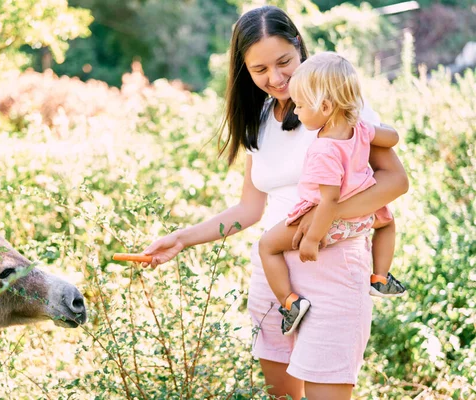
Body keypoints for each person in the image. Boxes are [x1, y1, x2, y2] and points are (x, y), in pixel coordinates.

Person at [141, 6, 408, 400]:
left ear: (299, 46)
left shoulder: (337, 107)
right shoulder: (261, 117)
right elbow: (249, 210)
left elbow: (395, 181)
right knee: (281, 397)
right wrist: (182, 238)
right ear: (244, 70)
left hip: (331, 267)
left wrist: (323, 217)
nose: (276, 78)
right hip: (274, 275)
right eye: (260, 70)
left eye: (284, 62)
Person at [258, 52, 407, 338]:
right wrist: (374, 128)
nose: (297, 112)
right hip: (365, 217)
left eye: (300, 105)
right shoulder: (360, 129)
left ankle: (290, 302)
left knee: (267, 246)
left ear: (325, 106)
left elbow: (329, 200)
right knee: (388, 223)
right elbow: (393, 138)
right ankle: (380, 276)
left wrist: (312, 238)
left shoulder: (323, 149)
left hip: (325, 222)